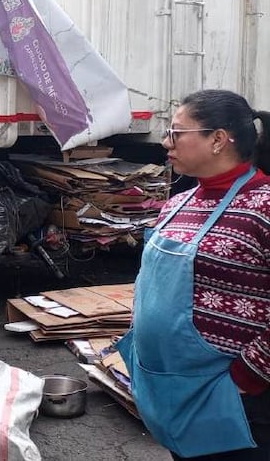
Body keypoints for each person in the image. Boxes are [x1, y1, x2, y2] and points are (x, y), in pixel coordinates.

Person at [117, 90, 270, 460]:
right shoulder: (177, 203)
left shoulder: (264, 205)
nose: (164, 141)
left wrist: (248, 376)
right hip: (171, 388)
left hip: (235, 396)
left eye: (177, 132)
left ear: (218, 139)